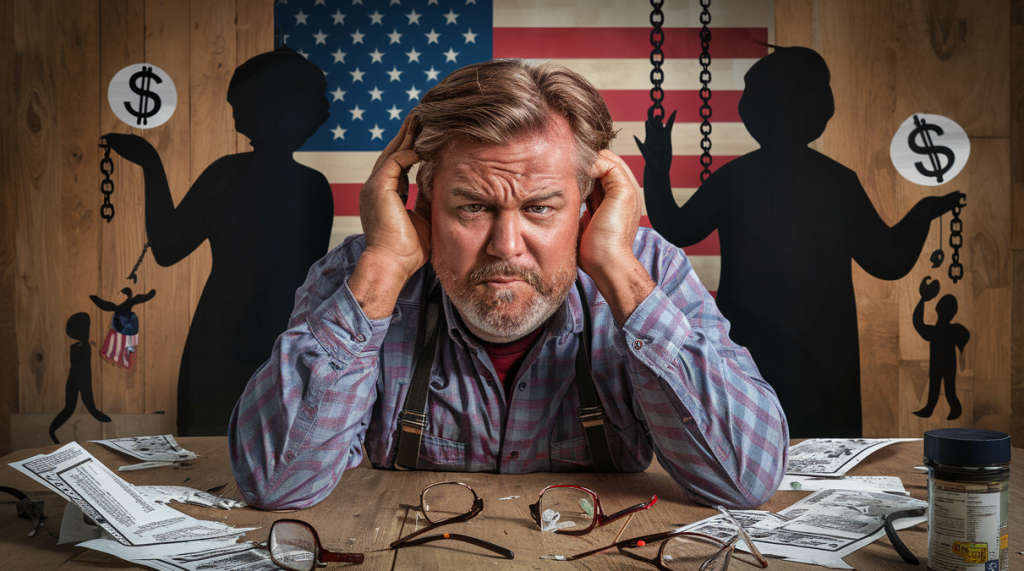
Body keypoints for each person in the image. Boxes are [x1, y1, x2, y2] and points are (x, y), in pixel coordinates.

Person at [229, 60, 789, 511]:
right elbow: (276, 483)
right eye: (472, 206)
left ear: (589, 204)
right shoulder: (366, 273)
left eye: (541, 207)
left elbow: (743, 481)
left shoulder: (645, 271)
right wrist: (381, 270)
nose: (506, 245)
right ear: (422, 202)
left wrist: (622, 279)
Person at [104, 47, 334, 436]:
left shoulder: (227, 176)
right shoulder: (314, 187)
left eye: (238, 105)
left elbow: (167, 247)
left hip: (224, 335)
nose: (234, 117)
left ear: (266, 108)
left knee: (208, 446)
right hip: (282, 338)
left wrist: (150, 163)